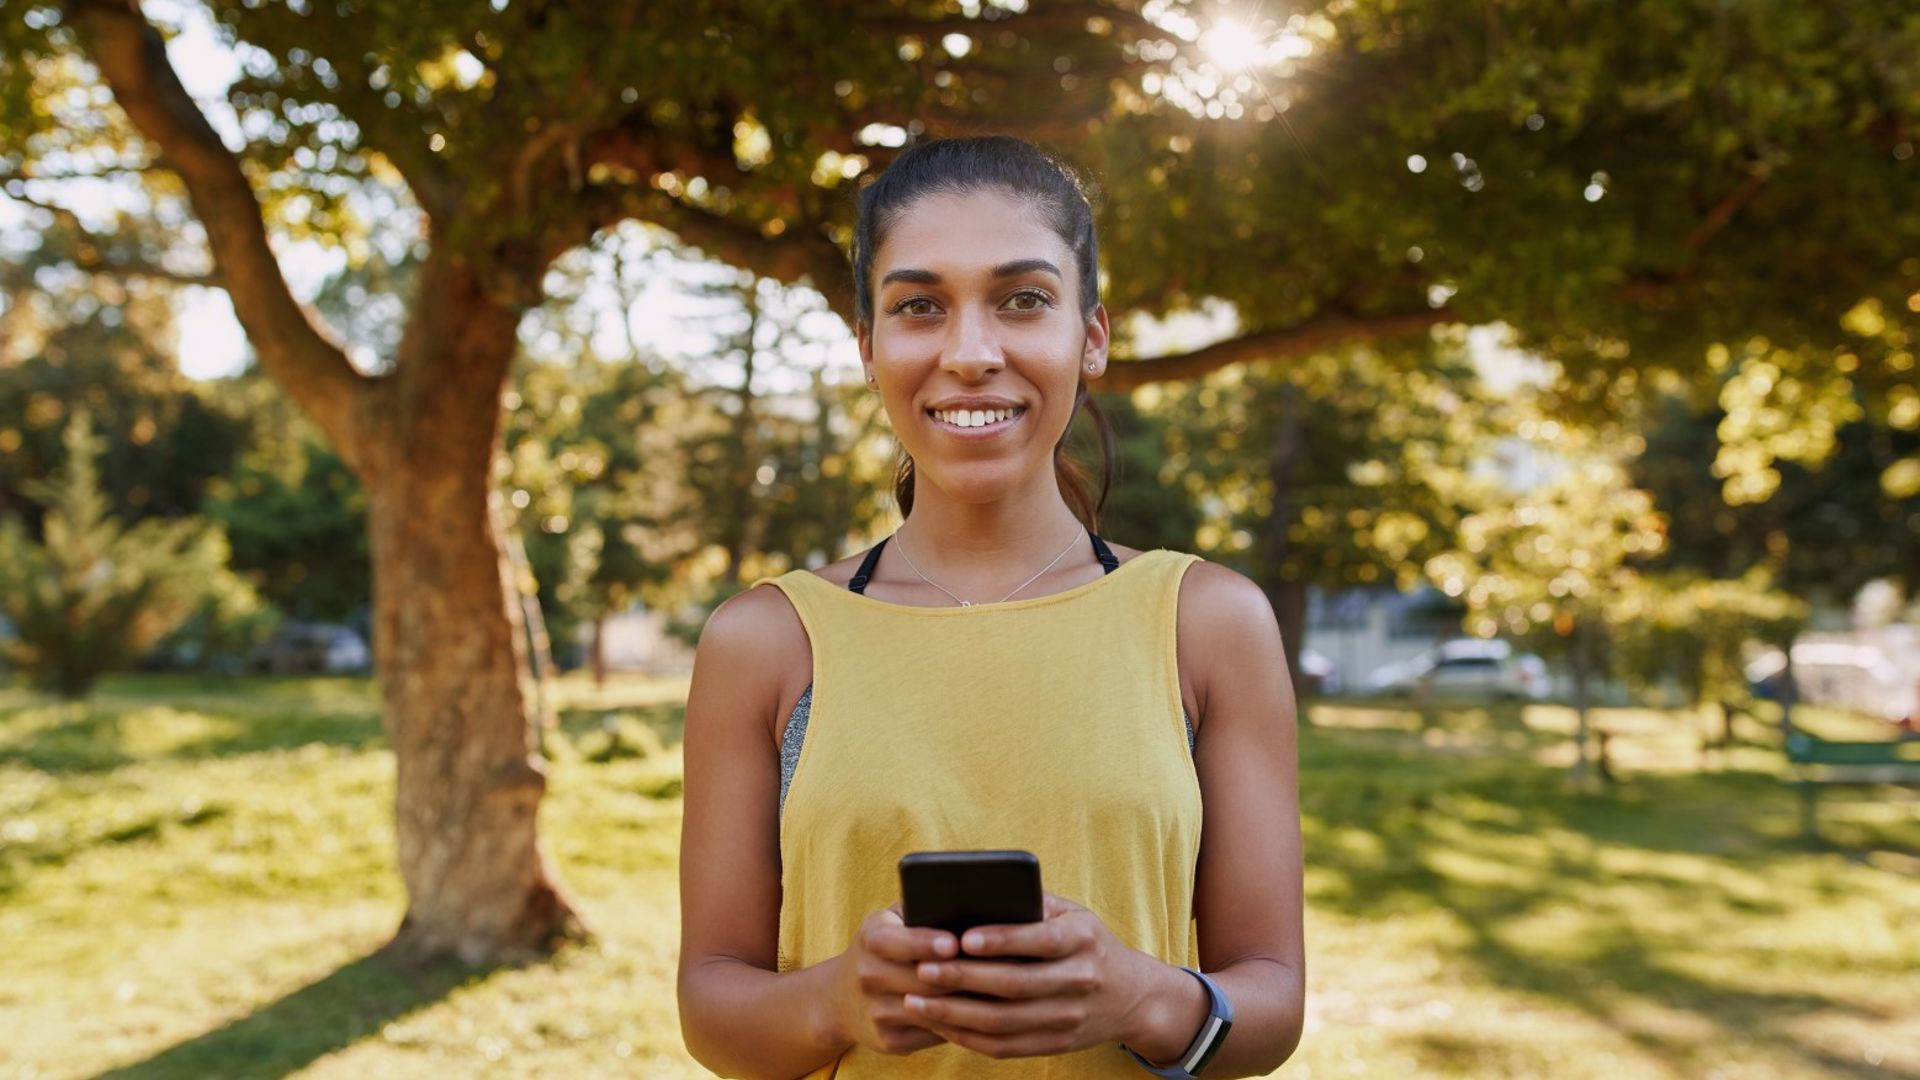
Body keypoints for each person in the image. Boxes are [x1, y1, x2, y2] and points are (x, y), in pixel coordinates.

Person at [677, 135, 1304, 1078]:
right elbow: (712, 1010)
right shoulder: (767, 640)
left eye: (1023, 300)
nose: (971, 354)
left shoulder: (1206, 623)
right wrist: (836, 1001)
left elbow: (1273, 1003)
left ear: (1090, 336)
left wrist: (1141, 994)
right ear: (869, 347)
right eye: (920, 306)